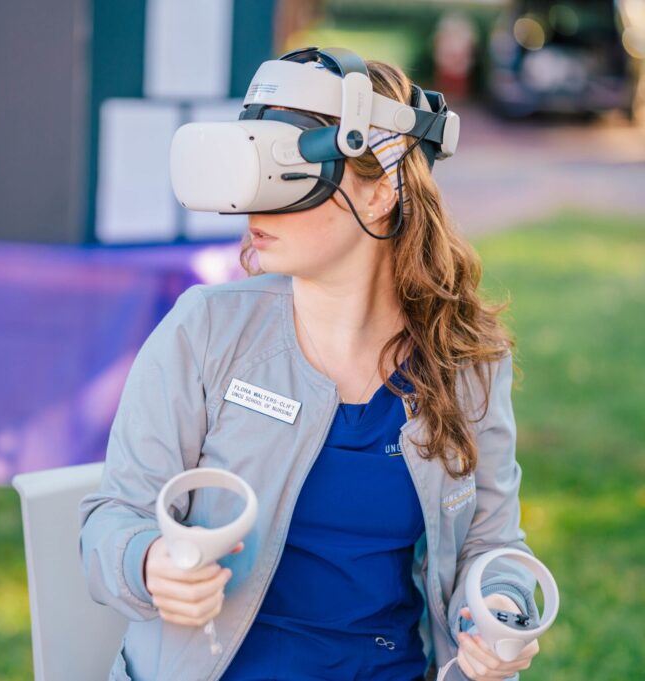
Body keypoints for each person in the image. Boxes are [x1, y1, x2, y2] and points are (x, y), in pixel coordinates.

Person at [80, 52, 543, 681]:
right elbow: (113, 519)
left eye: (291, 173)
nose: (254, 207)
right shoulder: (205, 330)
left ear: (380, 191)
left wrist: (499, 608)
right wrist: (148, 561)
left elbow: (492, 545)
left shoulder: (465, 361)